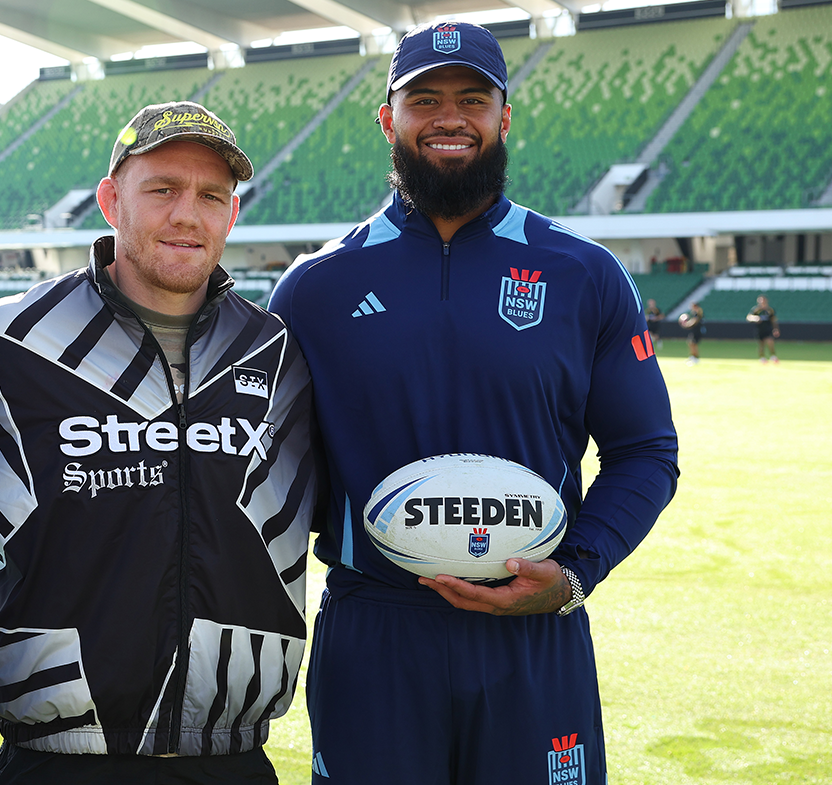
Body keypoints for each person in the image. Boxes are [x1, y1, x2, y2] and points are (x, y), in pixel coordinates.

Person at [268, 22, 679, 785]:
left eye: (472, 99)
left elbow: (645, 450)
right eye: (424, 99)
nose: (449, 117)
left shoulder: (584, 273)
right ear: (390, 120)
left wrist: (576, 571)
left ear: (504, 117)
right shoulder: (314, 286)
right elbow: (266, 474)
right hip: (375, 628)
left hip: (532, 630)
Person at [0, 102, 321, 783]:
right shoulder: (8, 346)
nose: (187, 214)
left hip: (231, 758)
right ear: (111, 199)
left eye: (211, 196)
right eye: (162, 189)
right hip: (56, 760)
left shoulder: (280, 354)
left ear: (232, 216)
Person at [746, 294, 779, 363]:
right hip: (760, 329)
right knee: (761, 344)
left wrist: (776, 329)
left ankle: (773, 356)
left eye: (763, 300)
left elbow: (774, 320)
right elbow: (748, 317)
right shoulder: (756, 310)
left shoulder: (769, 310)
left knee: (770, 341)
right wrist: (755, 318)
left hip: (768, 328)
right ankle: (762, 357)